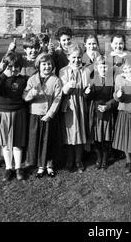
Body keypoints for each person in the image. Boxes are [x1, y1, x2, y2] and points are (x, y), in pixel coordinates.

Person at [0, 52, 28, 181]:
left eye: (16, 66)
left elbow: (26, 95)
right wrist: (4, 75)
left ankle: (18, 168)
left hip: (18, 114)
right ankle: (8, 168)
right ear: (5, 66)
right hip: (2, 114)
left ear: (20, 67)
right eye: (10, 66)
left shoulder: (23, 79)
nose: (13, 69)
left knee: (17, 143)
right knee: (5, 144)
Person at [23, 53, 62, 178]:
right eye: (44, 64)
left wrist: (50, 114)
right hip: (35, 115)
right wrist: (31, 94)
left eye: (49, 64)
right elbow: (24, 96)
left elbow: (58, 98)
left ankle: (50, 165)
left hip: (49, 115)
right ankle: (40, 165)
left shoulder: (55, 80)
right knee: (37, 141)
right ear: (38, 66)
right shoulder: (32, 79)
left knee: (49, 140)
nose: (47, 67)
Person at [58, 44, 90, 173]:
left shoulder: (85, 70)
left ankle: (78, 159)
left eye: (79, 57)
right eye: (74, 57)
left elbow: (86, 89)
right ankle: (70, 159)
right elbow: (62, 91)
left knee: (80, 131)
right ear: (68, 57)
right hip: (69, 105)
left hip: (81, 103)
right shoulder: (63, 71)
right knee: (71, 132)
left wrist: (88, 90)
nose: (76, 60)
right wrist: (67, 86)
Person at [85, 55, 116, 170]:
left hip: (107, 113)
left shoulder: (112, 82)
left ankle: (105, 159)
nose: (103, 69)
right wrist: (87, 92)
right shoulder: (93, 81)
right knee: (97, 138)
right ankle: (98, 158)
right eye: (100, 67)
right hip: (96, 114)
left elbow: (115, 98)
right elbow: (88, 97)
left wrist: (108, 105)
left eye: (105, 67)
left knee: (106, 138)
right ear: (96, 68)